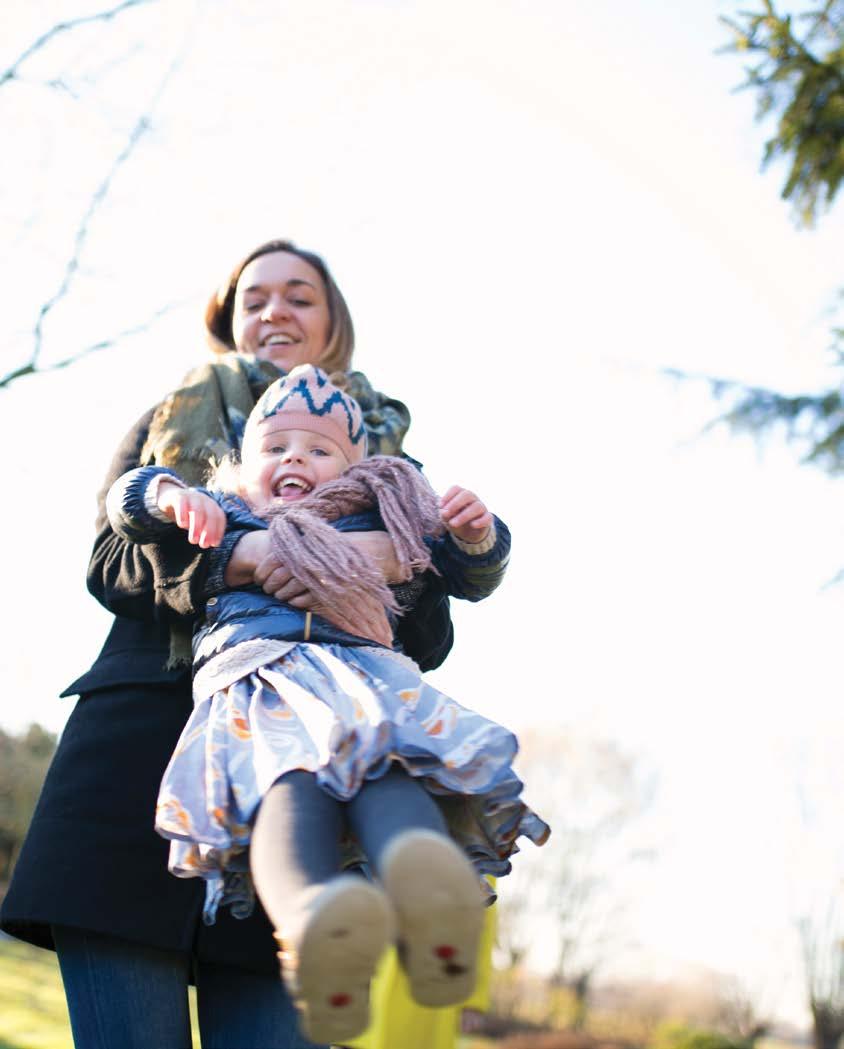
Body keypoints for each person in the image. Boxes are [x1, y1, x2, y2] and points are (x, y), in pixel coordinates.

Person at [0, 240, 456, 1049]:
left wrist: (374, 564)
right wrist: (242, 556)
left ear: (333, 323)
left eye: (299, 295)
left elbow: (427, 633)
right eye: (254, 298)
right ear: (231, 320)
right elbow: (110, 562)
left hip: (311, 780)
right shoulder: (170, 421)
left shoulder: (389, 464)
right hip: (136, 765)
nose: (275, 309)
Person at [106, 365, 549, 1046]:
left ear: (353, 468)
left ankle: (426, 886)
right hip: (264, 678)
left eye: (319, 451)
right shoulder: (225, 514)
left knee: (389, 774)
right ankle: (312, 921)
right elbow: (127, 507)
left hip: (363, 676)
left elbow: (467, 572)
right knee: (287, 794)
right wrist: (168, 494)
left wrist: (476, 534)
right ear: (243, 463)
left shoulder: (381, 514)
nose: (295, 460)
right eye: (276, 446)